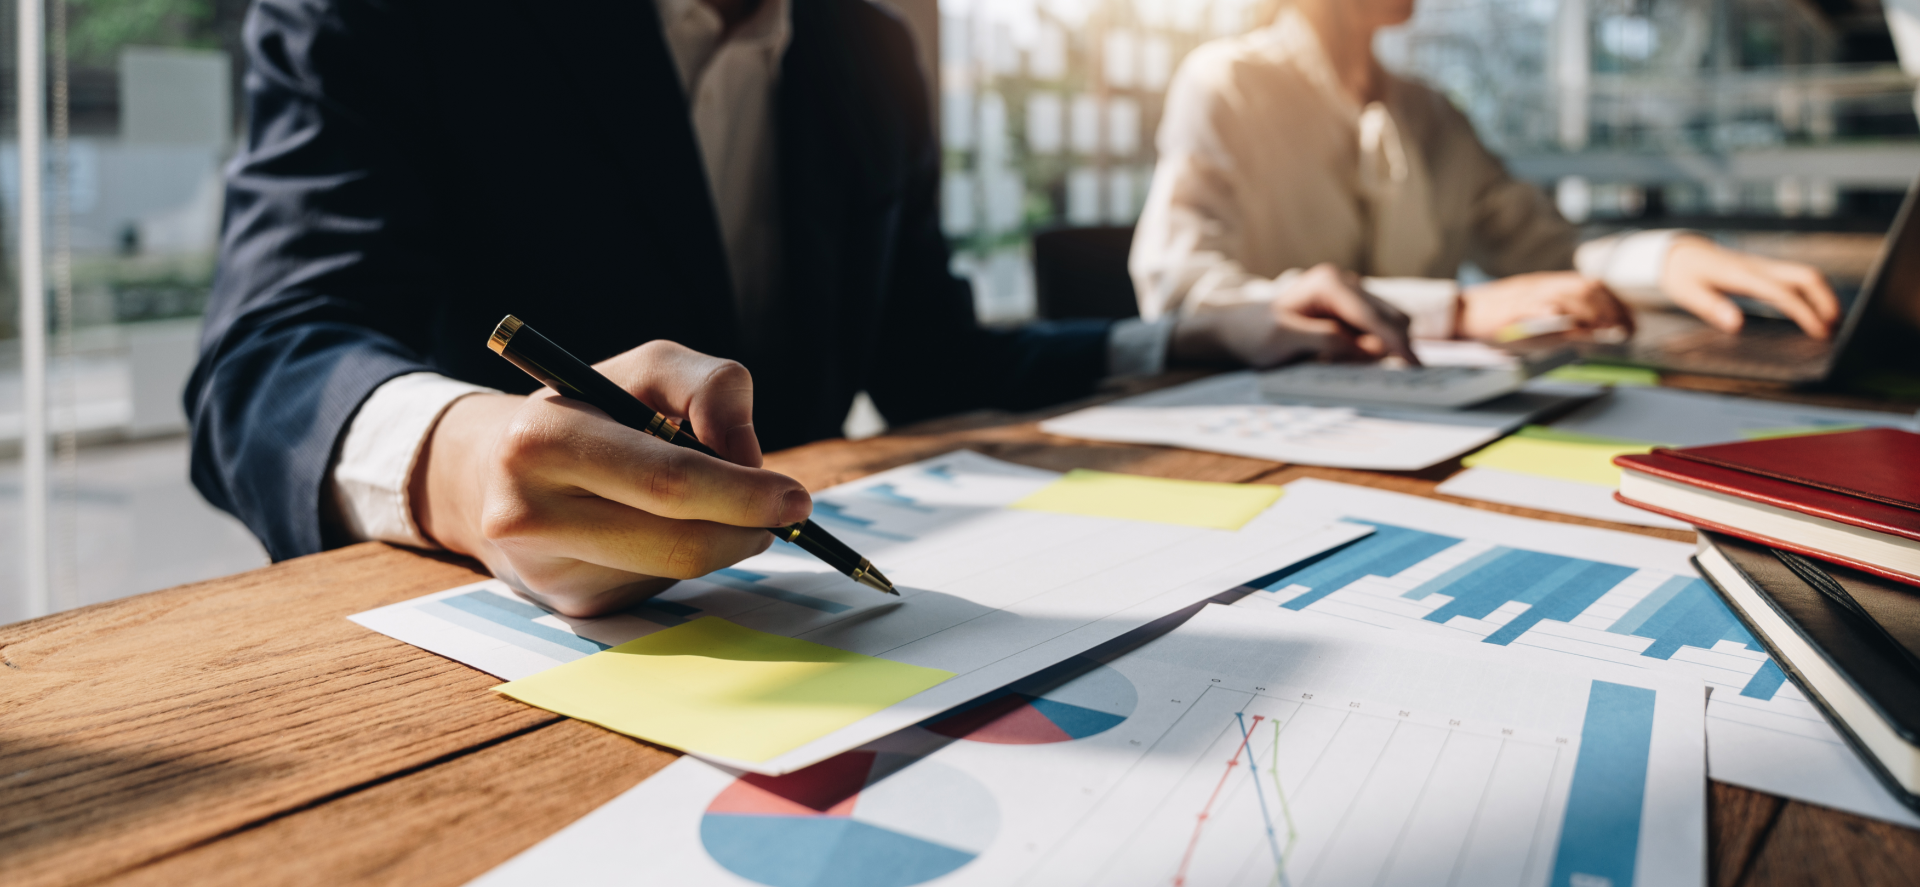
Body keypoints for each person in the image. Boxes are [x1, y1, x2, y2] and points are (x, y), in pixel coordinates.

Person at [191, 0, 1414, 618]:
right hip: (499, 641)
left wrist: (1204, 332)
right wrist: (469, 462)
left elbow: (929, 359)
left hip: (799, 615)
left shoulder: (868, 50)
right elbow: (262, 366)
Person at [1131, 0, 1843, 346]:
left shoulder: (1432, 114)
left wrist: (1667, 258)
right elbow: (1181, 298)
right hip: (1269, 434)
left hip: (1440, 425)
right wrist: (1457, 311)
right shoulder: (1226, 84)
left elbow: (1544, 252)